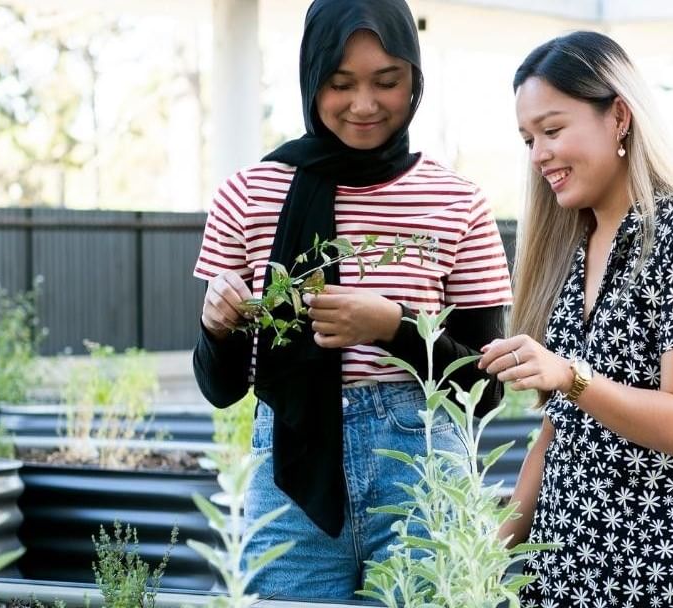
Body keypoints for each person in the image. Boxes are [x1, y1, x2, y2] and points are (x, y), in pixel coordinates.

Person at [191, 0, 513, 600]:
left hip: (422, 468)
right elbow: (222, 387)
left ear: (415, 80)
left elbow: (485, 389)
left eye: (387, 82)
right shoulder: (249, 194)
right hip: (289, 468)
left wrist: (392, 326)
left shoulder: (456, 201)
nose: (364, 104)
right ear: (311, 79)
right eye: (341, 84)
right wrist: (217, 328)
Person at [478, 31, 673, 608]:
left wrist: (571, 375)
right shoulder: (574, 247)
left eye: (552, 130)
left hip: (660, 569)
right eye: (528, 139)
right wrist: (485, 553)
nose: (538, 154)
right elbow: (560, 433)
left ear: (619, 116)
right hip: (559, 568)